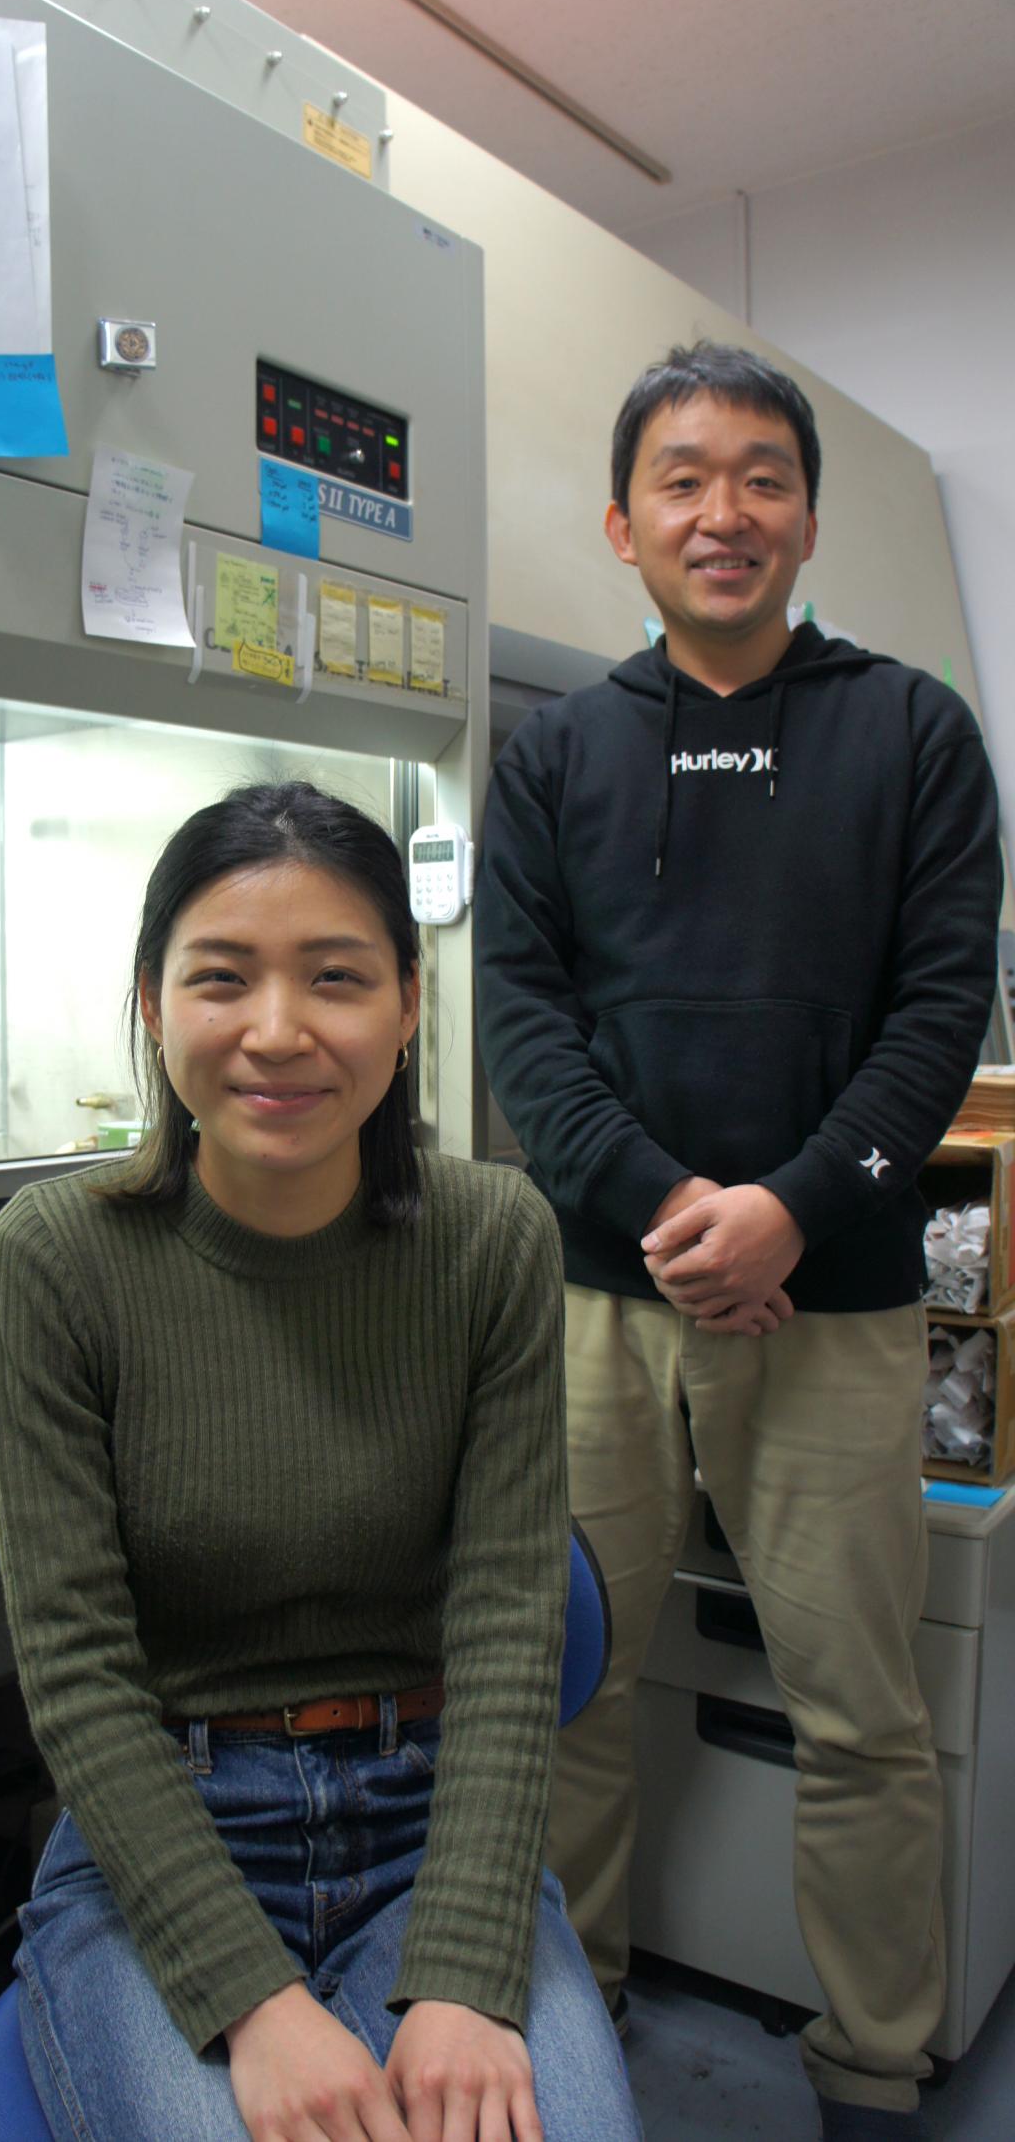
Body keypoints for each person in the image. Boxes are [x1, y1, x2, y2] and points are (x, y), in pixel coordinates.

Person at [475, 338, 1002, 2142]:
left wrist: (792, 1207)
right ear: (623, 526)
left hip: (834, 1300)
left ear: (808, 520)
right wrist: (666, 1206)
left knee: (861, 1713)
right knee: (572, 1687)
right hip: (598, 1305)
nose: (727, 510)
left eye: (764, 477)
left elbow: (940, 1016)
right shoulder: (558, 754)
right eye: (684, 479)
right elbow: (522, 1020)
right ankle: (575, 2022)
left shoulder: (913, 733)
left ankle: (872, 2066)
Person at [0, 780, 641, 2142]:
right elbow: (75, 1671)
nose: (277, 1030)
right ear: (154, 1004)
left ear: (406, 1005)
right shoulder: (57, 1256)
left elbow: (510, 1623)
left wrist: (464, 1967)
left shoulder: (492, 1237)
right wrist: (253, 2002)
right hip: (163, 1836)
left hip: (429, 1819)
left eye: (336, 977)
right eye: (222, 977)